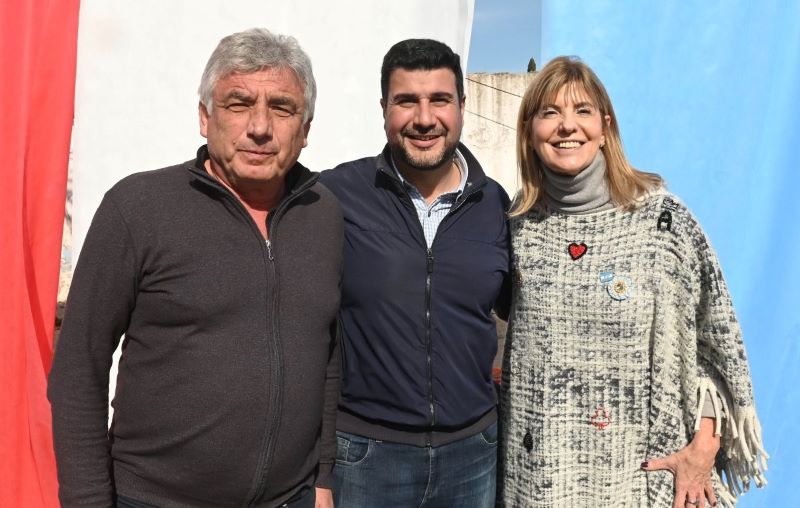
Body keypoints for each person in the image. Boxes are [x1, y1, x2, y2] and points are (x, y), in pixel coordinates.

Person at [48, 28, 342, 508]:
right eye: (238, 104)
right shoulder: (138, 208)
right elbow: (79, 369)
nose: (260, 127)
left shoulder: (323, 213)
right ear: (205, 117)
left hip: (291, 499)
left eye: (282, 108)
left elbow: (327, 354)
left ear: (305, 129)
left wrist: (323, 477)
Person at [498, 56, 767, 507]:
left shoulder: (662, 224)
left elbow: (714, 348)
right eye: (550, 112)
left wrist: (702, 451)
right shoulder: (516, 224)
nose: (567, 126)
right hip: (539, 481)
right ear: (529, 130)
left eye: (582, 111)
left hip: (639, 482)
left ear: (605, 127)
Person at [319, 39, 510, 507]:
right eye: (406, 101)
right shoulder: (337, 194)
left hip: (473, 455)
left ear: (462, 106)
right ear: (384, 108)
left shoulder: (496, 204)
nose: (424, 119)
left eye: (439, 100)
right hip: (366, 457)